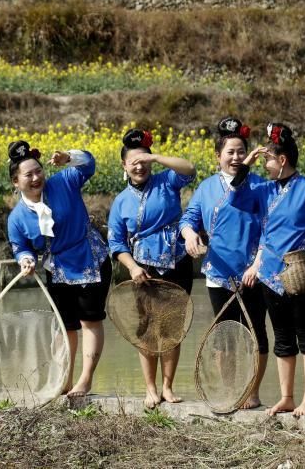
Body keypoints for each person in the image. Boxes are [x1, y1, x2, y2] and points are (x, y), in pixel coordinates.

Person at [229, 123, 305, 417]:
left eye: (268, 159)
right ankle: (287, 397)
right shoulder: (263, 190)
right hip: (270, 274)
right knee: (282, 338)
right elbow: (236, 197)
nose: (265, 165)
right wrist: (246, 164)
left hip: (300, 272)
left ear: (282, 160)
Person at [7, 140, 111, 397]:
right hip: (57, 268)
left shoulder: (64, 181)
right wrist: (26, 260)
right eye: (28, 175)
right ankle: (64, 379)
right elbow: (20, 246)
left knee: (89, 320)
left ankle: (85, 379)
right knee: (64, 326)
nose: (36, 178)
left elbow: (89, 164)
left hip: (89, 258)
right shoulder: (17, 217)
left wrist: (69, 157)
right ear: (16, 182)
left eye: (38, 171)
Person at [180, 117, 269, 409]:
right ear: (218, 156)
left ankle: (252, 392)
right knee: (225, 336)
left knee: (256, 333)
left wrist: (257, 264)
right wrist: (189, 234)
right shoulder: (206, 188)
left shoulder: (260, 186)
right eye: (230, 152)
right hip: (218, 274)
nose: (236, 157)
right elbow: (188, 218)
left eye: (241, 151)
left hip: (253, 272)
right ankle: (231, 391)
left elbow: (270, 228)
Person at [107, 128, 196, 409]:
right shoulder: (120, 201)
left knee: (172, 328)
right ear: (123, 165)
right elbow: (116, 243)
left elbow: (190, 169)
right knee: (146, 329)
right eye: (133, 162)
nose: (139, 166)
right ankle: (150, 388)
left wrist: (155, 156)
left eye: (144, 160)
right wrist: (132, 267)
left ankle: (168, 386)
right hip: (142, 269)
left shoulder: (167, 181)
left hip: (177, 263)